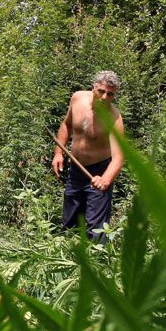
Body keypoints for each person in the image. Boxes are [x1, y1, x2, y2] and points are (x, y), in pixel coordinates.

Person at [52, 70, 125, 243]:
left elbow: (119, 157)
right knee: (70, 220)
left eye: (110, 94)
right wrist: (58, 153)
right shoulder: (77, 99)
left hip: (99, 171)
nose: (105, 97)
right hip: (76, 169)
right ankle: (69, 260)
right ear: (94, 88)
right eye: (101, 91)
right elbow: (67, 124)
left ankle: (98, 265)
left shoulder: (114, 119)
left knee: (96, 228)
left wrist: (105, 180)